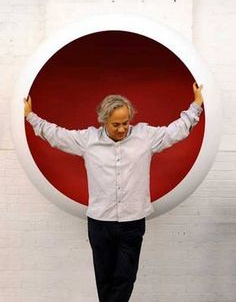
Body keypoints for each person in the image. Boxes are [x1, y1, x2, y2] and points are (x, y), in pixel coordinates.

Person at [23, 83, 203, 302]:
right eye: (116, 124)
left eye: (126, 123)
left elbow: (177, 130)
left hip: (132, 223)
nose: (122, 128)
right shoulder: (88, 140)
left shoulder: (145, 137)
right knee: (105, 281)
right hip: (100, 224)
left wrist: (196, 105)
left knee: (125, 280)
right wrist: (30, 116)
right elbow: (56, 135)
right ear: (104, 121)